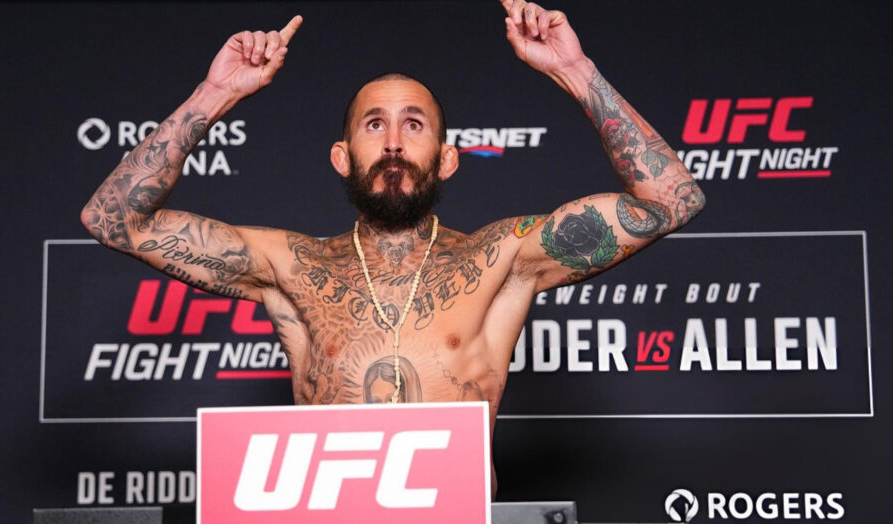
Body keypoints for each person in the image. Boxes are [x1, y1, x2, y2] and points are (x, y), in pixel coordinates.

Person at [82, 0, 704, 494]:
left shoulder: (501, 259)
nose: (394, 143)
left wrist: (574, 70)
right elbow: (115, 221)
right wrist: (216, 93)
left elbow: (670, 201)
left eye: (414, 124)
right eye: (374, 124)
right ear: (342, 156)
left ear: (448, 158)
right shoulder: (292, 267)